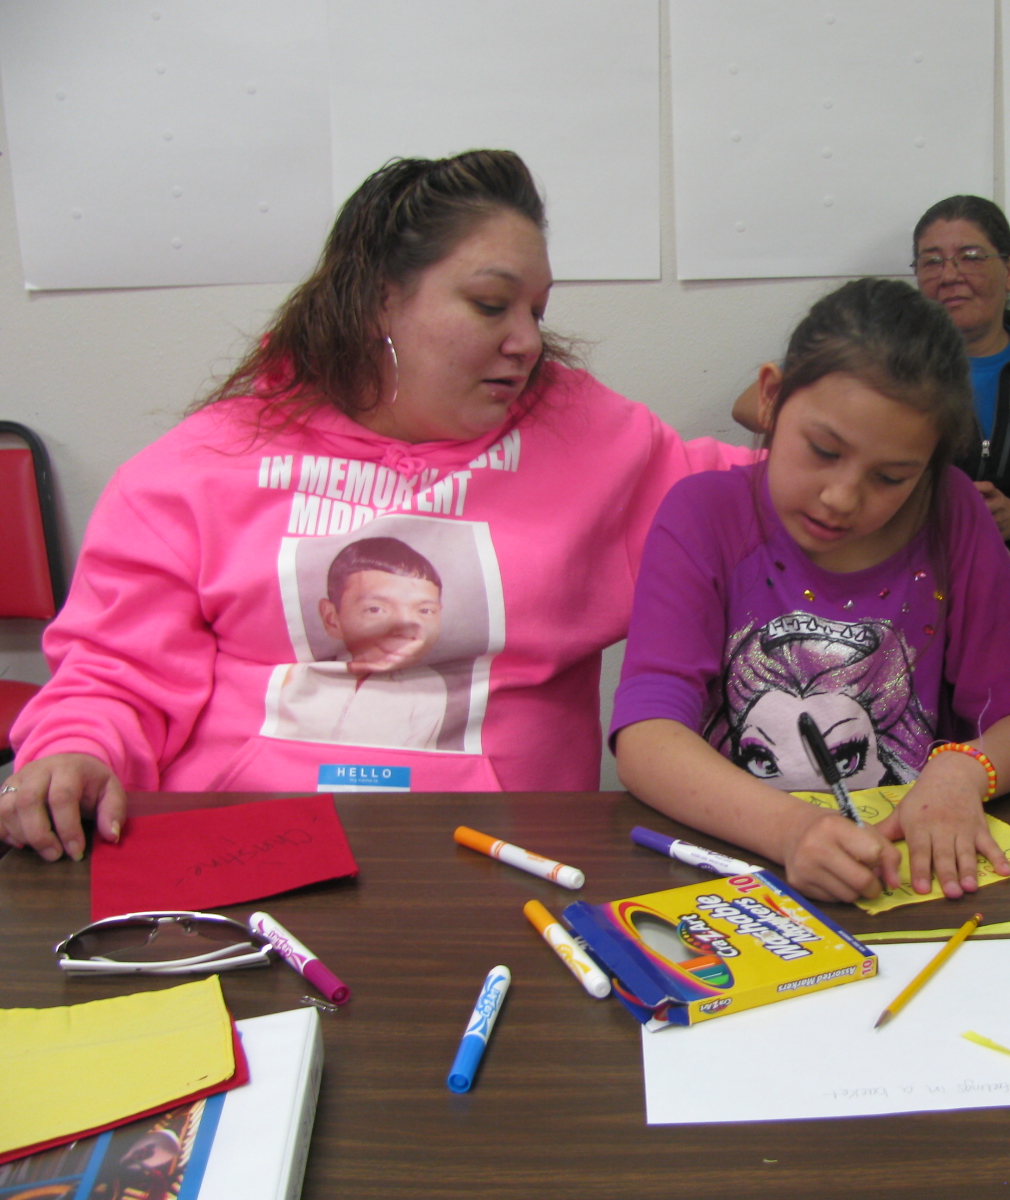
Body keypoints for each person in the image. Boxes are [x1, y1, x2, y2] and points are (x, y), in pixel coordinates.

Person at [0, 150, 750, 862]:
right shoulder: (202, 465)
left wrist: (817, 415)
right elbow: (113, 672)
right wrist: (75, 749)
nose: (526, 341)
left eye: (536, 313)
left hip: (503, 856)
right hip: (235, 846)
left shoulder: (594, 443)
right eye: (492, 305)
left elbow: (765, 507)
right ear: (377, 301)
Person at [614, 278, 1010, 904]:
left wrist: (963, 772)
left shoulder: (950, 512)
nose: (842, 498)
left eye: (891, 477)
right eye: (823, 451)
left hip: (906, 879)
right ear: (771, 399)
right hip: (736, 873)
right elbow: (646, 735)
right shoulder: (704, 514)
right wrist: (792, 830)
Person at [733, 196, 1010, 682]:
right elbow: (749, 406)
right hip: (906, 616)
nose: (950, 273)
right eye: (932, 260)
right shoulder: (878, 363)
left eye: (970, 256)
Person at [271, 536, 450, 750]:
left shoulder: (429, 692)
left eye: (424, 611)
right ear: (331, 618)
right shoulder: (295, 679)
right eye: (375, 609)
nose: (405, 626)